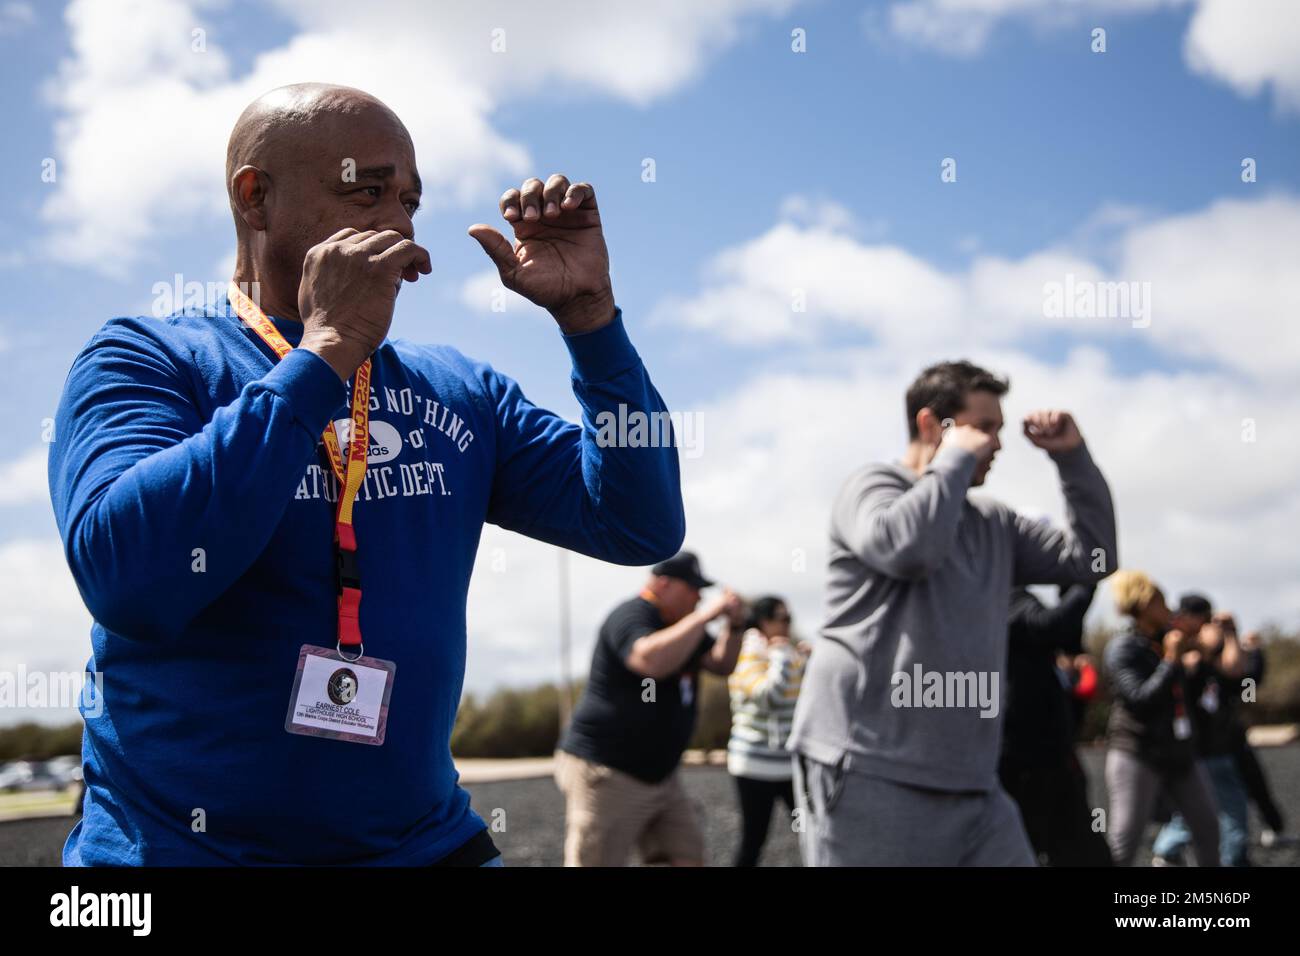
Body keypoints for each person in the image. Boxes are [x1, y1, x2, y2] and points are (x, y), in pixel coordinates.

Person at [47, 84, 685, 866]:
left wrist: (593, 322)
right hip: (184, 851)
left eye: (410, 201)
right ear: (256, 197)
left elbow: (639, 525)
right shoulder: (146, 358)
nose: (401, 225)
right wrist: (324, 353)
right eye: (368, 190)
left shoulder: (458, 390)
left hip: (421, 844)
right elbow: (129, 580)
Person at [788, 361, 1118, 866]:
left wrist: (1072, 458)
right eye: (984, 429)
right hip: (870, 771)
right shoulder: (873, 487)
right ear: (930, 425)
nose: (997, 444)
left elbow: (1093, 558)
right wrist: (954, 461)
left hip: (975, 784)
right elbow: (909, 549)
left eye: (999, 431)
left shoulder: (993, 521)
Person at [555, 552, 743, 866]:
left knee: (685, 856)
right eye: (692, 588)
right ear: (663, 583)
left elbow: (722, 663)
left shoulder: (683, 627)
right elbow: (649, 661)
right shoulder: (631, 615)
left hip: (662, 778)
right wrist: (705, 617)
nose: (699, 596)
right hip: (609, 772)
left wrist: (734, 626)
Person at [1102, 572, 1220, 866]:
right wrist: (1171, 659)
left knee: (1208, 829)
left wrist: (1199, 653)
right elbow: (1140, 698)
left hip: (1179, 753)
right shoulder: (1124, 649)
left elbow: (1192, 691)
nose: (1168, 609)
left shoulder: (1164, 643)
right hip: (1137, 752)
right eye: (1160, 602)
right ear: (1141, 605)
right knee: (1124, 841)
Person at [999, 583, 1113, 866]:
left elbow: (1065, 636)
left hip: (1046, 756)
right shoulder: (1003, 595)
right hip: (1025, 759)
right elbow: (1051, 626)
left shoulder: (1006, 599)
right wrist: (1084, 581)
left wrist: (1070, 588)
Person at [1151, 596, 1251, 866]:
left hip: (1219, 743)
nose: (1208, 625)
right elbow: (1189, 663)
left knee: (1204, 808)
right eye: (1204, 618)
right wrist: (1203, 640)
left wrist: (1231, 633)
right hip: (1196, 745)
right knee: (1210, 808)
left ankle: (1170, 850)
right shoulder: (1175, 641)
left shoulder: (1209, 652)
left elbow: (1235, 669)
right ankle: (1228, 858)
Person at [727, 596, 807, 866]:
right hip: (755, 765)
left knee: (813, 831)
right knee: (754, 839)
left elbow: (802, 699)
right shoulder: (749, 650)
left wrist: (807, 662)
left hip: (788, 763)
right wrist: (784, 655)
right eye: (782, 618)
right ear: (764, 622)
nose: (787, 624)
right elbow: (768, 696)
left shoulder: (780, 652)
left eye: (789, 619)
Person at [1233, 629, 1292, 847]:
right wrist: (1254, 653)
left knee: (1256, 786)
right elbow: (1249, 687)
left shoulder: (1236, 674)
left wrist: (1254, 654)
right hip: (1217, 744)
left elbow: (1249, 689)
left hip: (1232, 740)